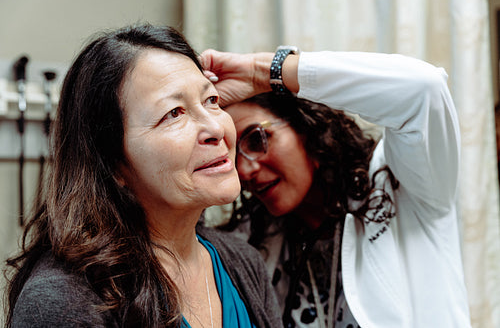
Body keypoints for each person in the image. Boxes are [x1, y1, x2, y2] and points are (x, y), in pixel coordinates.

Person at [4, 24, 281, 328]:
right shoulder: (62, 300)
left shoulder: (243, 262)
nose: (216, 129)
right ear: (112, 163)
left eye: (211, 100)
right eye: (174, 113)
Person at [199, 48, 472, 328]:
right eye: (231, 154)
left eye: (257, 139)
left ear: (306, 127)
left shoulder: (403, 186)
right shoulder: (256, 241)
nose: (245, 171)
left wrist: (261, 70)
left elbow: (424, 89)